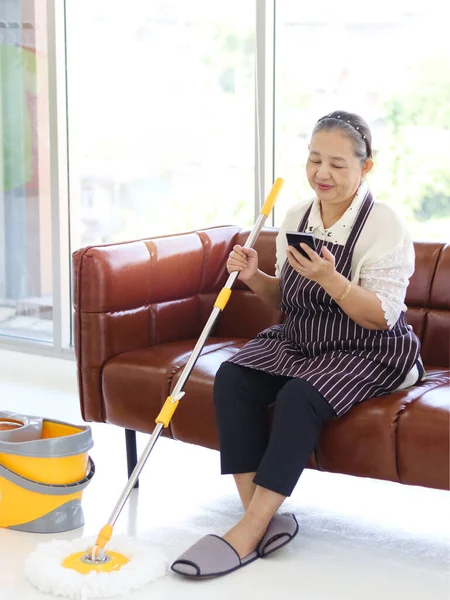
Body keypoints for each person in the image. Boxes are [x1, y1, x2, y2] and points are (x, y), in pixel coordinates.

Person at [171, 110, 423, 579]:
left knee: (298, 396)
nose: (321, 174)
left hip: (369, 346)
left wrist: (332, 277)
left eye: (337, 164)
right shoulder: (296, 216)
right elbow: (286, 296)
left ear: (365, 167)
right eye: (313, 160)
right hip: (305, 339)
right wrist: (253, 277)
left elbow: (380, 314)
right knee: (233, 378)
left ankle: (246, 531)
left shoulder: (383, 225)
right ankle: (259, 519)